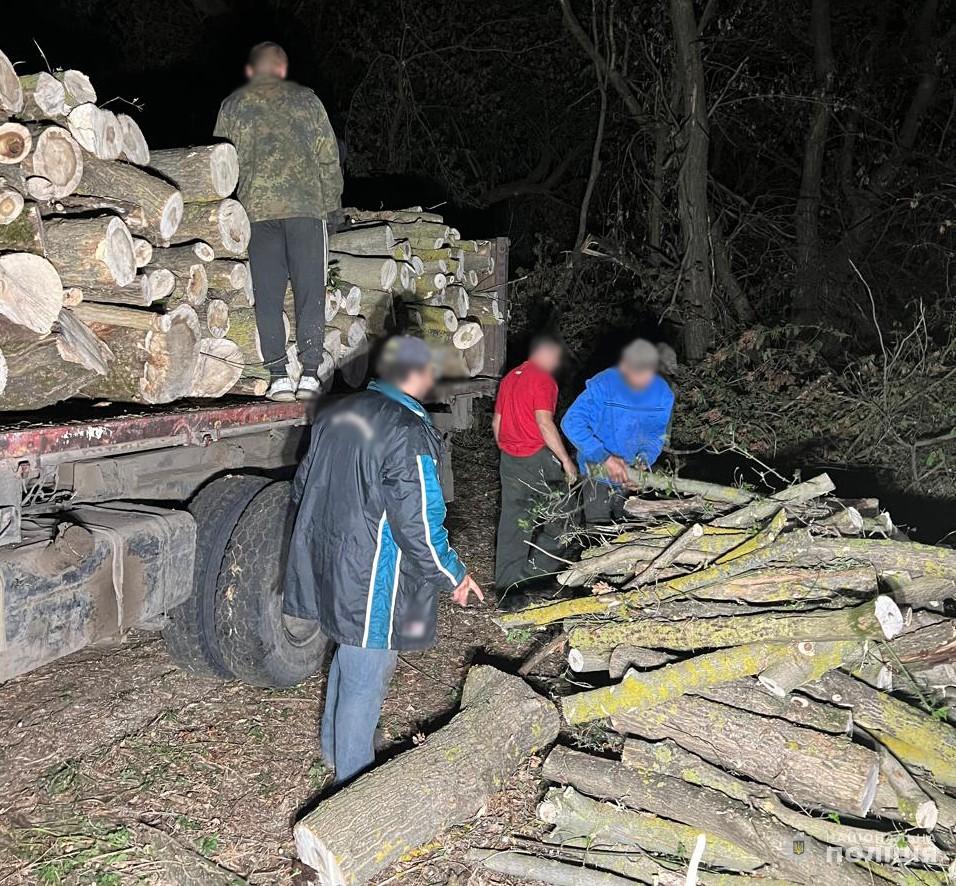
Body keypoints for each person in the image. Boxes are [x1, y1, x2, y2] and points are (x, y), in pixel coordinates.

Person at [284, 336, 483, 784]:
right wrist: (452, 574)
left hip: (335, 559)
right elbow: (419, 522)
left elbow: (303, 488)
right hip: (374, 571)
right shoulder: (406, 430)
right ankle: (352, 784)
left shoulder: (338, 411)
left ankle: (336, 754)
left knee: (348, 656)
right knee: (367, 671)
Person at [215, 41, 343, 402]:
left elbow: (221, 164)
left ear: (252, 71)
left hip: (256, 215)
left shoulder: (233, 106)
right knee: (309, 291)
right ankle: (310, 374)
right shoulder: (307, 101)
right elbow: (328, 159)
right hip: (305, 211)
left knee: (267, 296)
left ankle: (277, 377)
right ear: (283, 69)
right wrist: (332, 206)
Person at [493, 335, 577, 594]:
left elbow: (496, 423)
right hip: (538, 457)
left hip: (510, 457)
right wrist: (565, 460)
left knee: (513, 522)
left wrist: (508, 448)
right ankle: (536, 579)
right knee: (563, 518)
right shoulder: (543, 379)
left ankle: (508, 590)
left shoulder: (510, 377)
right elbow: (544, 423)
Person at [561, 339, 675, 523]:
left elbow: (655, 436)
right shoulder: (605, 384)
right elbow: (571, 423)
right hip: (596, 471)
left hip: (629, 475)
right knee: (598, 532)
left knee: (630, 531)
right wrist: (603, 456)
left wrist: (642, 463)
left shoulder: (663, 394)